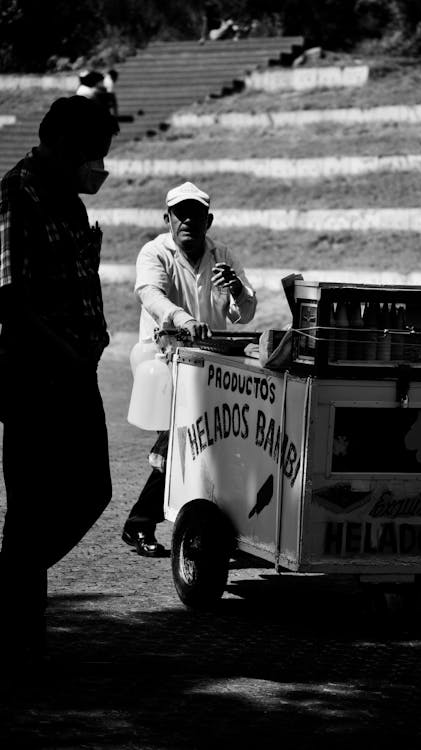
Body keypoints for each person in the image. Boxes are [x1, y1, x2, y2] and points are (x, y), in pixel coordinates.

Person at [0, 96, 119, 660]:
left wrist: (85, 353)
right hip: (33, 377)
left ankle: (12, 596)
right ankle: (22, 637)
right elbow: (10, 299)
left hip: (79, 371)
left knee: (92, 490)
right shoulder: (14, 194)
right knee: (31, 506)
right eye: (95, 153)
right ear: (67, 146)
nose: (99, 166)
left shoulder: (68, 201)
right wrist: (64, 354)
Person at [122, 181, 256, 557]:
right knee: (181, 438)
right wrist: (182, 319)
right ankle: (141, 523)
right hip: (162, 357)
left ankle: (149, 523)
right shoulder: (155, 252)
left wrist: (238, 292)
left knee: (211, 440)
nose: (188, 221)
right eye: (181, 214)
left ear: (208, 220)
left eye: (196, 215)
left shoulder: (222, 255)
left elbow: (245, 312)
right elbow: (150, 294)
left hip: (210, 360)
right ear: (168, 218)